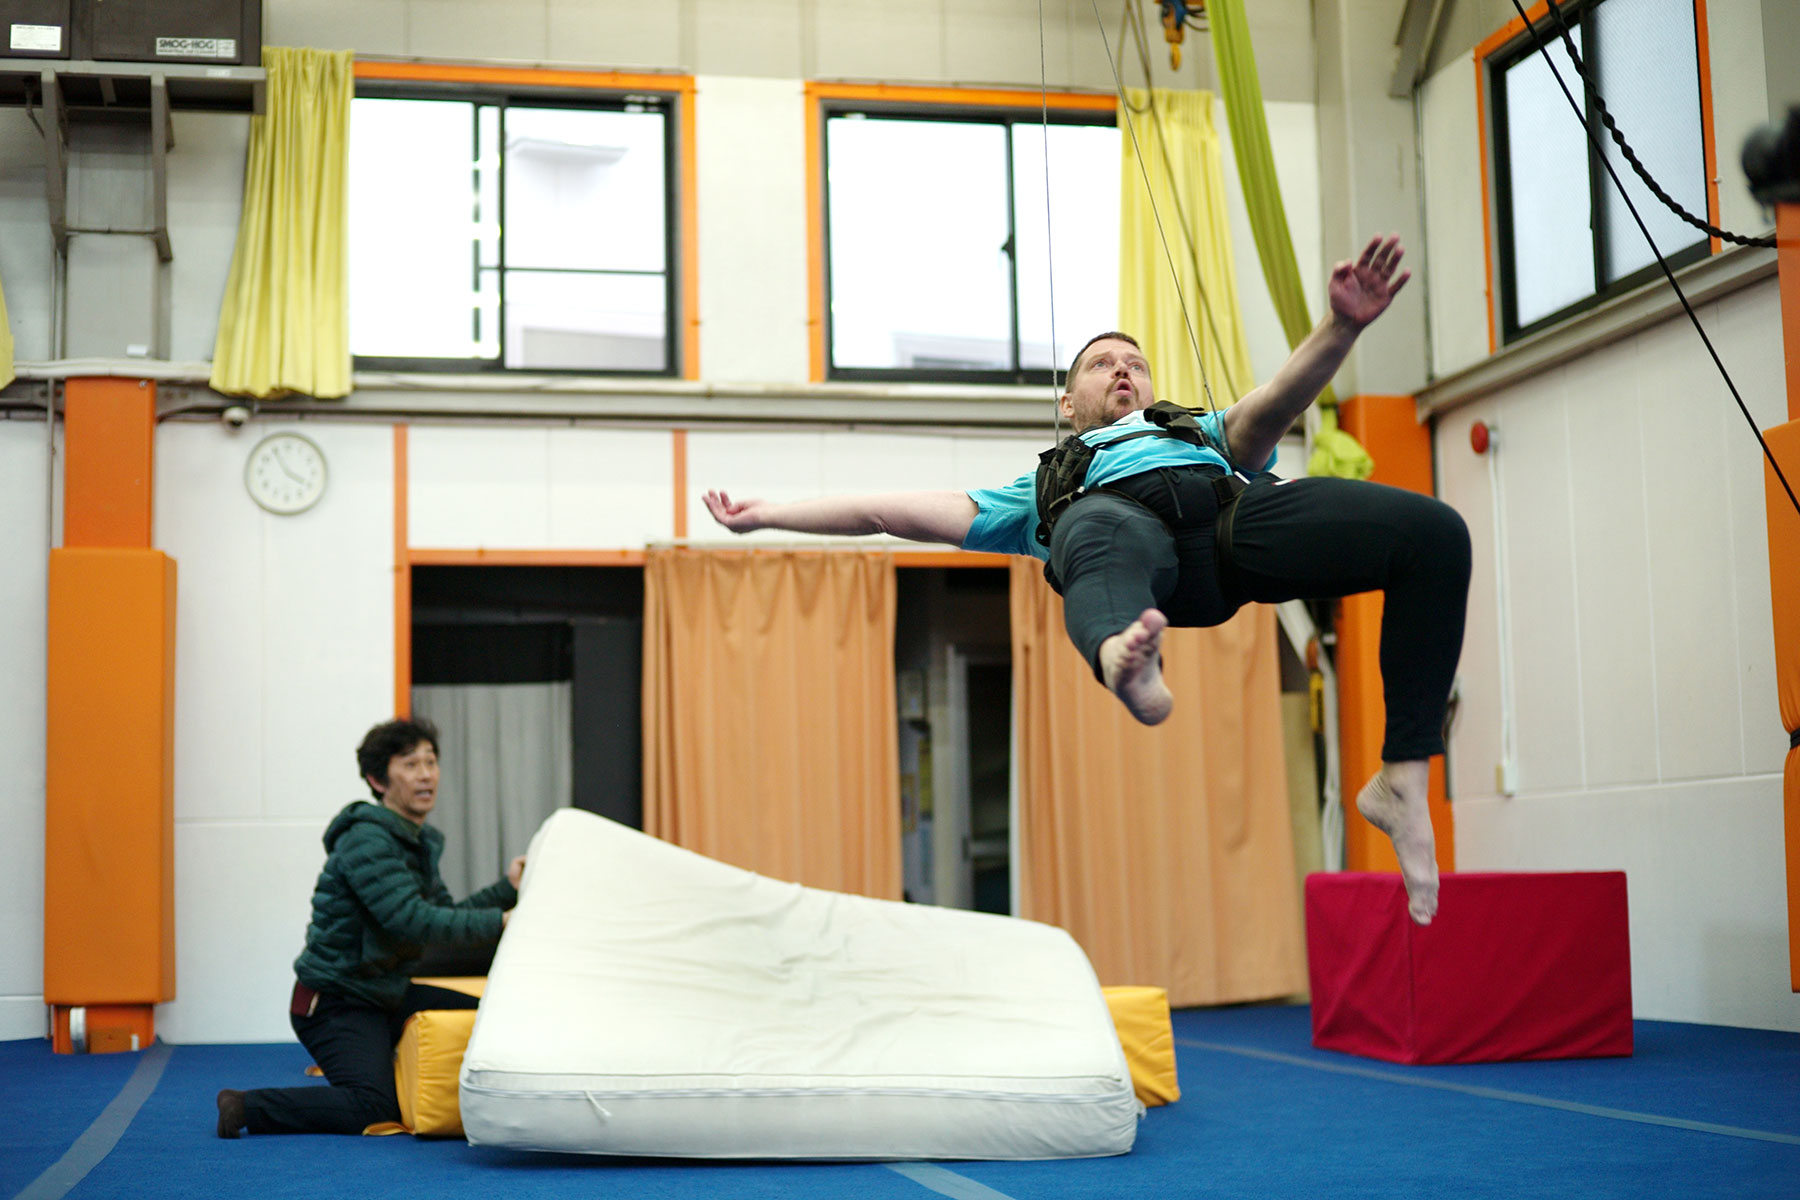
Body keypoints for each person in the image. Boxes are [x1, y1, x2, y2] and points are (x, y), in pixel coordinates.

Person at [704, 235, 1469, 925]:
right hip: (1128, 558)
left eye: (1135, 362)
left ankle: (1401, 777)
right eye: (1103, 364)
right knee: (1091, 522)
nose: (1123, 369)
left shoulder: (1194, 432)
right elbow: (883, 511)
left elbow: (1272, 406)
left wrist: (1341, 327)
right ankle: (1123, 662)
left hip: (1232, 537)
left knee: (1434, 536)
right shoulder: (1036, 490)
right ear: (1068, 403)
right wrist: (766, 515)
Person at [215, 717, 526, 1137]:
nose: (426, 774)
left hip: (384, 991)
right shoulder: (367, 840)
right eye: (411, 764)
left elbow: (443, 912)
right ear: (378, 780)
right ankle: (245, 1106)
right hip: (336, 1001)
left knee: (487, 1014)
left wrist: (507, 889)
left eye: (431, 762)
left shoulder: (417, 841)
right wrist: (501, 920)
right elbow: (413, 921)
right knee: (372, 1106)